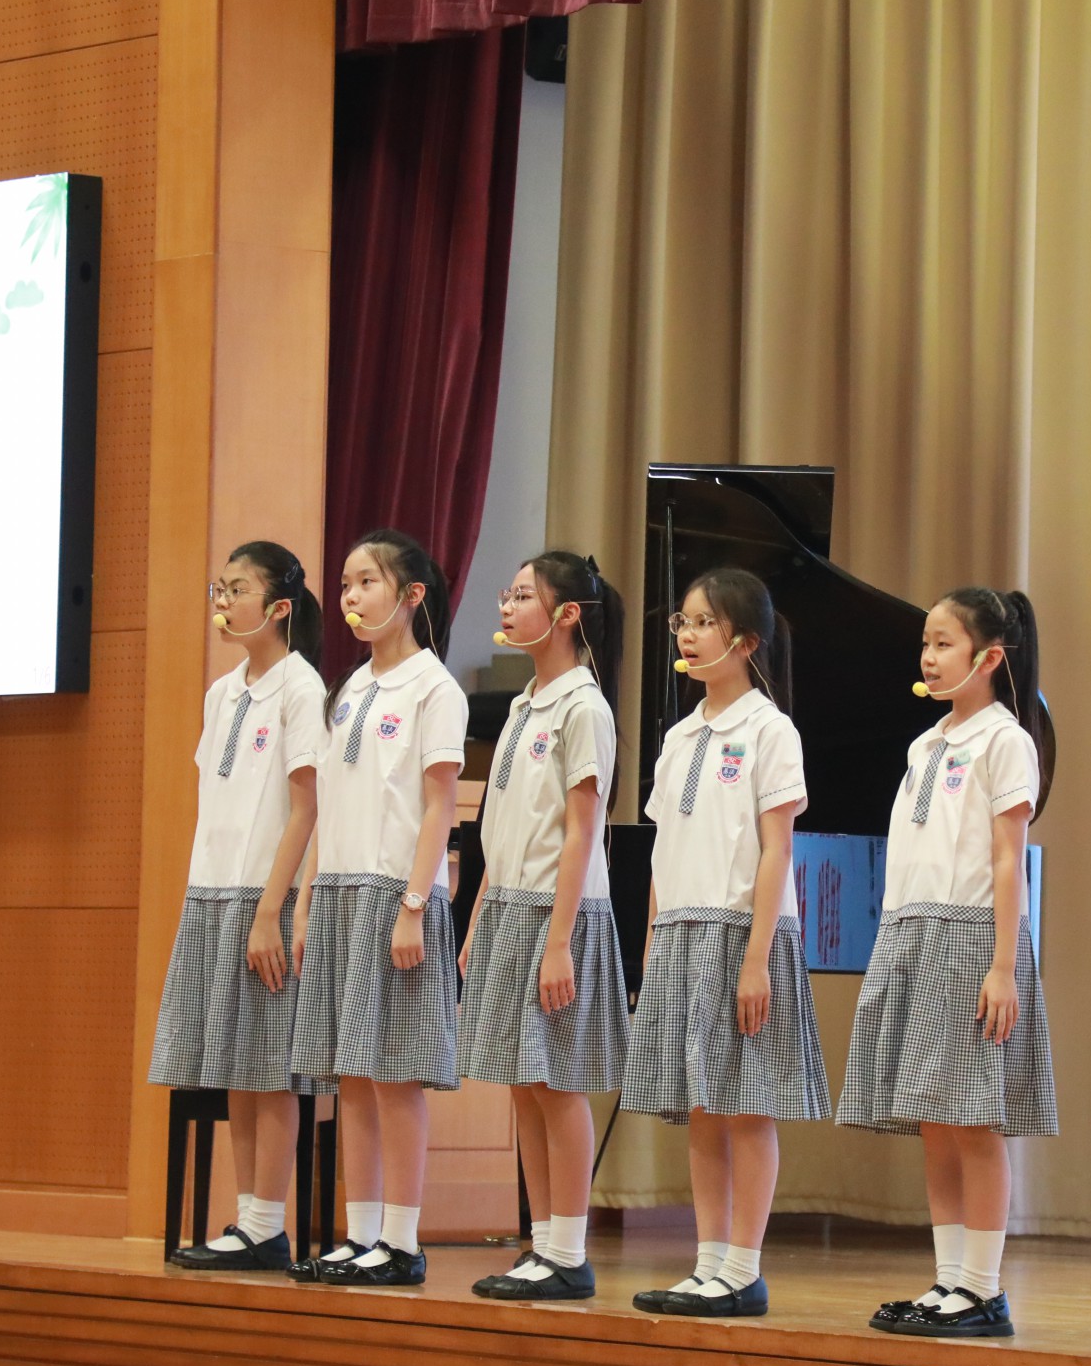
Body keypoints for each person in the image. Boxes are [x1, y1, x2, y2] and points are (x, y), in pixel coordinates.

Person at [839, 586, 1057, 1339]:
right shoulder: (925, 745)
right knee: (933, 1119)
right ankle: (949, 1280)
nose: (929, 658)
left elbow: (1007, 860)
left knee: (972, 1119)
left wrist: (1004, 965)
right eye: (925, 645)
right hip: (912, 933)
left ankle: (984, 1289)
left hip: (970, 939)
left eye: (944, 644)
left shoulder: (1005, 741)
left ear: (988, 657)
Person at [624, 569, 828, 1318]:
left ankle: (743, 1269)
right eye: (682, 621)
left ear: (744, 641)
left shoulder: (770, 730)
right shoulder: (680, 736)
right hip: (680, 933)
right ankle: (708, 1263)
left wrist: (756, 959)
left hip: (742, 932)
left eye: (703, 622)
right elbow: (662, 850)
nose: (686, 634)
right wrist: (653, 942)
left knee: (746, 1104)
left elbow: (778, 851)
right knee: (701, 1107)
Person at [287, 530, 468, 1286]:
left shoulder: (435, 689)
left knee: (393, 1073)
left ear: (411, 595)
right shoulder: (350, 689)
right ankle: (359, 1235)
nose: (352, 597)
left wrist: (414, 905)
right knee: (350, 1075)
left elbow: (439, 807)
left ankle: (401, 1241)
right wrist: (306, 903)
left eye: (367, 582)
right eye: (346, 584)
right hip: (338, 894)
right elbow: (328, 806)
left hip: (396, 895)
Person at [459, 552, 629, 1300]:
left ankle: (569, 1251)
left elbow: (582, 830)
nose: (507, 605)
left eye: (522, 595)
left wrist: (559, 942)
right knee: (522, 1085)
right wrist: (477, 916)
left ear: (566, 615)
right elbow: (501, 826)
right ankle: (541, 1244)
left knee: (557, 1083)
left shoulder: (583, 708)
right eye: (508, 592)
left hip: (558, 915)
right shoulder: (524, 703)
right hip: (508, 908)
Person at [151, 541, 326, 1270]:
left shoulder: (301, 688)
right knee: (233, 1062)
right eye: (218, 589)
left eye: (237, 590)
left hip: (264, 897)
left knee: (268, 1063)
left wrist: (270, 910)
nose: (222, 602)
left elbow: (306, 808)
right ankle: (251, 1220)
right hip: (212, 891)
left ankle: (265, 1223)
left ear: (278, 606)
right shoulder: (222, 692)